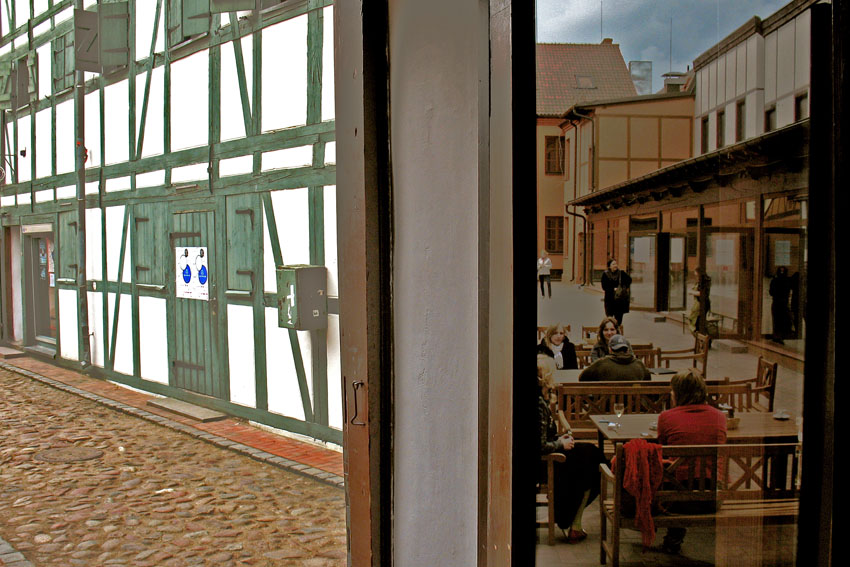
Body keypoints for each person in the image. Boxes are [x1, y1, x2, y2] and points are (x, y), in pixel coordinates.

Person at [655, 368, 727, 554]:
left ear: (678, 393)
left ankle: (671, 538)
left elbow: (663, 448)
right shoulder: (720, 417)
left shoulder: (666, 417)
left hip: (675, 501)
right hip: (712, 498)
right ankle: (673, 539)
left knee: (672, 474)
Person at [537, 358, 608, 542]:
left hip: (550, 454)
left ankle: (572, 521)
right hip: (546, 463)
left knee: (591, 454)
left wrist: (560, 440)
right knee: (592, 462)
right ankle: (573, 523)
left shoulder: (541, 399)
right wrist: (561, 444)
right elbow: (539, 445)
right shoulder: (538, 404)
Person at [579, 335, 650, 381]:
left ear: (610, 349)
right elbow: (648, 380)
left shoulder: (601, 364)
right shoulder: (639, 365)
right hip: (634, 400)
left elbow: (582, 378)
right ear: (627, 350)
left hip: (607, 400)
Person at [600, 259, 631, 327]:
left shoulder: (621, 273)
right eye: (613, 264)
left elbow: (629, 280)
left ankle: (617, 330)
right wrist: (612, 289)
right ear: (609, 266)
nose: (615, 265)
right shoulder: (605, 274)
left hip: (619, 300)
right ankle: (611, 329)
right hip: (610, 299)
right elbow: (604, 286)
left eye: (616, 264)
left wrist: (622, 288)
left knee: (619, 318)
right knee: (609, 317)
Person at [769, 266, 793, 344]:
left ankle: (777, 336)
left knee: (777, 321)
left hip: (777, 302)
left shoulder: (775, 280)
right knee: (782, 320)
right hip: (783, 303)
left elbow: (771, 292)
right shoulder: (787, 281)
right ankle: (780, 336)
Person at [687, 267, 711, 335]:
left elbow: (702, 293)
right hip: (699, 304)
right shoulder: (701, 281)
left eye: (697, 275)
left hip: (701, 304)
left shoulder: (704, 282)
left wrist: (692, 292)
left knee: (695, 322)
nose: (696, 277)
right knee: (697, 322)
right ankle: (702, 337)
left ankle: (703, 337)